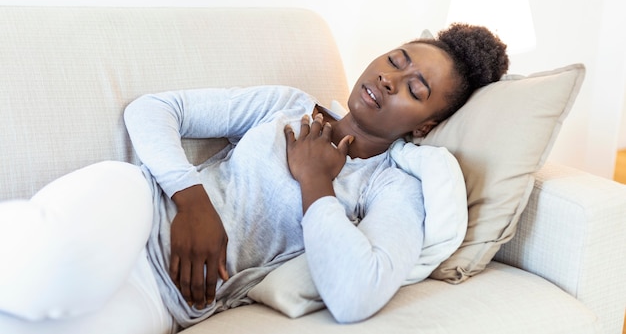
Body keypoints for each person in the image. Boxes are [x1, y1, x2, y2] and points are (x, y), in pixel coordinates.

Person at [0, 23, 508, 334]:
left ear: (424, 125)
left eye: (413, 87)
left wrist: (316, 182)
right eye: (395, 60)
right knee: (41, 272)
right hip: (135, 208)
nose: (388, 78)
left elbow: (357, 295)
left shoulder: (394, 187)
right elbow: (155, 109)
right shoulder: (286, 106)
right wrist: (191, 198)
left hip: (169, 300)